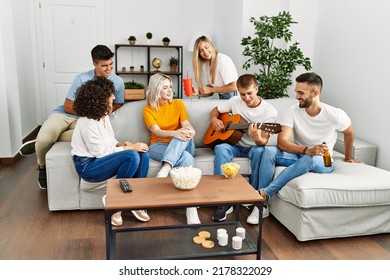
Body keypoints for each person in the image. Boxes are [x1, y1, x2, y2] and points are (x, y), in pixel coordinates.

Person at [251, 72, 363, 225]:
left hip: (323, 160)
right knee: (269, 151)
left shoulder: (335, 114)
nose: (296, 96)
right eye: (296, 91)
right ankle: (262, 207)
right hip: (301, 153)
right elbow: (282, 142)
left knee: (309, 158)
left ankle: (263, 195)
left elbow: (349, 132)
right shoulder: (292, 111)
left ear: (315, 93)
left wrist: (348, 157)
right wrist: (306, 149)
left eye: (300, 93)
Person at [19, 45, 124, 190]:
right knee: (44, 141)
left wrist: (104, 110)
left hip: (85, 120)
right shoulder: (81, 78)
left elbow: (118, 103)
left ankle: (50, 137)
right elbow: (68, 106)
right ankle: (42, 166)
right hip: (65, 115)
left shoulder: (118, 82)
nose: (109, 69)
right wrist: (93, 110)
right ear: (94, 64)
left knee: (80, 136)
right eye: (104, 65)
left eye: (111, 65)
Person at [71, 76, 150, 226]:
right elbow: (101, 153)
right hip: (87, 166)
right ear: (99, 98)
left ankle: (136, 200)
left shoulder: (103, 116)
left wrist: (121, 143)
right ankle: (115, 204)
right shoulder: (87, 122)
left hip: (99, 158)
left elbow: (110, 141)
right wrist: (130, 148)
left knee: (143, 153)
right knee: (132, 155)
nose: (114, 97)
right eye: (110, 95)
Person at [209, 74, 277, 222]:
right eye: (242, 94)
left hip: (254, 147)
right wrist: (215, 120)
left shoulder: (269, 111)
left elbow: (263, 142)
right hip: (236, 145)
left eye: (249, 93)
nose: (246, 98)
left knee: (261, 151)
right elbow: (215, 110)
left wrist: (256, 136)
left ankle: (257, 199)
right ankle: (224, 200)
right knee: (221, 148)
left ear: (257, 89)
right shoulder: (235, 101)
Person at [143, 73, 200, 225]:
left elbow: (186, 123)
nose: (170, 91)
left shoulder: (178, 104)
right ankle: (191, 208)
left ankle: (165, 168)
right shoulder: (148, 109)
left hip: (183, 143)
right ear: (156, 90)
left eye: (171, 87)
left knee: (183, 133)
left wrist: (190, 130)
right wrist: (176, 133)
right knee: (187, 159)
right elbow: (157, 132)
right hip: (158, 146)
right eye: (165, 87)